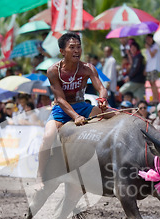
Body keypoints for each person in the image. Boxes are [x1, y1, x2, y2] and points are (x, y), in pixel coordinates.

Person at [37, 32, 109, 184]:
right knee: (47, 137)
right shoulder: (53, 71)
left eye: (78, 47)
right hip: (61, 109)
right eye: (72, 47)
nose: (77, 50)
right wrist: (75, 116)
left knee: (111, 115)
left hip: (83, 106)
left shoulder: (87, 68)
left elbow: (101, 88)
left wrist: (102, 99)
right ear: (62, 51)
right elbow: (60, 99)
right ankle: (40, 175)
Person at [145, 34, 160, 103]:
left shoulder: (156, 46)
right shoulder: (149, 47)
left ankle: (156, 98)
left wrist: (148, 48)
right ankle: (154, 98)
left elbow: (152, 55)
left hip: (154, 67)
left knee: (153, 83)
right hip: (149, 68)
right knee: (151, 83)